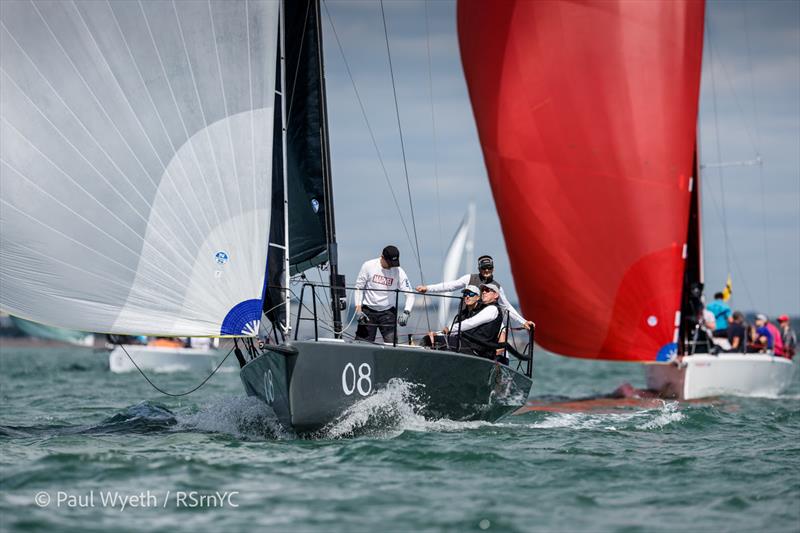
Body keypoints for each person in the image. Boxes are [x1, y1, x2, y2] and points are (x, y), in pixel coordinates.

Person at [415, 255, 535, 330]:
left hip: (483, 326)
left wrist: (523, 322)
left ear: (493, 269)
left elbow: (506, 306)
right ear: (479, 269)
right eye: (484, 268)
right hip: (465, 319)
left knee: (500, 329)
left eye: (489, 267)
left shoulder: (497, 287)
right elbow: (450, 286)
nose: (487, 270)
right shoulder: (469, 278)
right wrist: (428, 288)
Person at [354, 245, 415, 344]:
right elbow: (359, 287)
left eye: (394, 263)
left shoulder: (399, 271)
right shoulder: (368, 266)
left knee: (392, 345)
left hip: (388, 313)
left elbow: (409, 294)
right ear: (382, 257)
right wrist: (358, 309)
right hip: (368, 311)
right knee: (362, 344)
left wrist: (406, 312)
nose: (392, 266)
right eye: (389, 263)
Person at [441, 282, 505, 360]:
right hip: (471, 347)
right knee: (438, 340)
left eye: (487, 290)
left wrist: (450, 328)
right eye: (483, 290)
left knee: (436, 341)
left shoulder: (492, 309)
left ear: (496, 295)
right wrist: (440, 333)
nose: (484, 292)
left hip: (478, 350)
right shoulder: (465, 313)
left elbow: (471, 323)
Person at [423, 284, 482, 349]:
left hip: (473, 346)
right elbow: (453, 331)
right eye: (465, 294)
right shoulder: (462, 314)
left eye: (471, 294)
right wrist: (437, 334)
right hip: (460, 341)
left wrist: (449, 329)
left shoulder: (481, 313)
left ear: (478, 297)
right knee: (428, 338)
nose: (467, 296)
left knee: (439, 342)